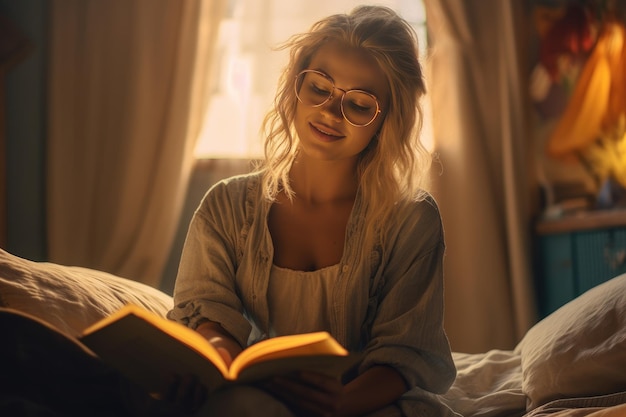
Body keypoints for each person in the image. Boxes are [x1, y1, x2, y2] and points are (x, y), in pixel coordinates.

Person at [166, 5, 457, 416]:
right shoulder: (225, 207)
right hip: (253, 398)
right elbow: (205, 313)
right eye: (320, 88)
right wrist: (216, 358)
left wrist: (343, 402)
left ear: (386, 121)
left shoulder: (411, 219)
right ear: (294, 87)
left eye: (358, 105)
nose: (329, 112)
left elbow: (406, 351)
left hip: (364, 404)